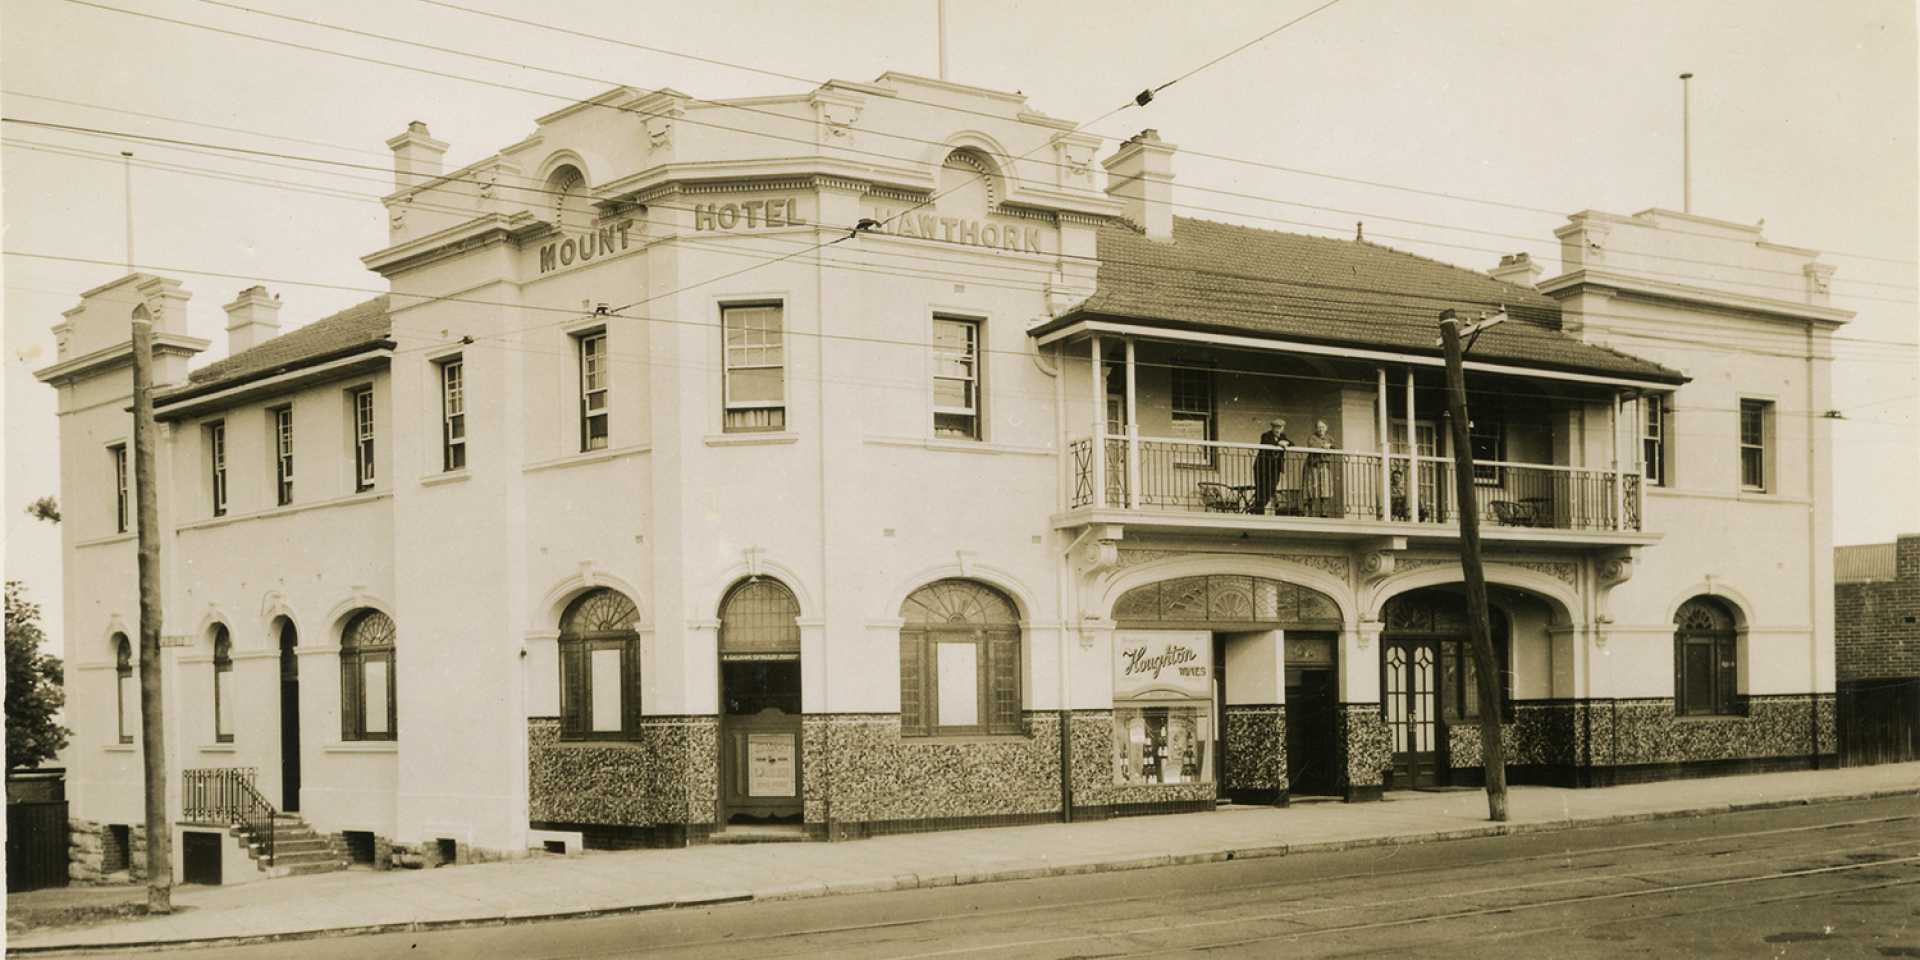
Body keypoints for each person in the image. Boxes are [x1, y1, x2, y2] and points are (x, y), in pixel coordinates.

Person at [1254, 418, 1292, 514]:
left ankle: (1256, 509)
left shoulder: (1283, 436)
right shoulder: (1266, 435)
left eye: (1279, 428)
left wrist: (1285, 443)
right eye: (1275, 428)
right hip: (1263, 468)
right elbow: (1267, 443)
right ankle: (1258, 511)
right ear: (1272, 428)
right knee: (1262, 490)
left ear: (1282, 428)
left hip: (1275, 468)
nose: (1277, 430)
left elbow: (1291, 443)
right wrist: (1279, 444)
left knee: (1271, 490)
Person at [1303, 421, 1336, 516]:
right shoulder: (1312, 438)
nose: (1321, 429)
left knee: (1325, 490)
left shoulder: (1329, 438)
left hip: (1324, 465)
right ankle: (1311, 512)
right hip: (1313, 466)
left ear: (1326, 428)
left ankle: (1324, 513)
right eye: (1319, 427)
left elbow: (1338, 446)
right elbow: (1311, 445)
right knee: (1312, 489)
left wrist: (1330, 446)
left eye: (1322, 427)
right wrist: (1323, 446)